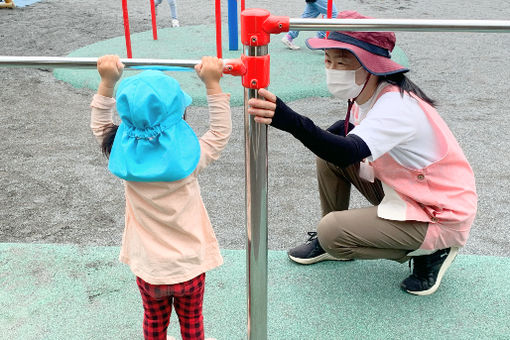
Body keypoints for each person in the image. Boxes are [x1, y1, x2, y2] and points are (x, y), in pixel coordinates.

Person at [249, 10, 477, 296]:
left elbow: (348, 152)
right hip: (408, 190)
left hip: (438, 213)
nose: (332, 68)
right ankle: (332, 241)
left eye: (342, 62)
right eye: (328, 60)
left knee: (333, 230)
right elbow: (347, 137)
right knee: (328, 153)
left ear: (372, 65)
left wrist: (290, 120)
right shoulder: (368, 91)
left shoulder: (396, 106)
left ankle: (431, 250)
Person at [90, 55, 231, 339]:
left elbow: (101, 127)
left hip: (149, 267)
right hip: (188, 265)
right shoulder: (190, 159)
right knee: (192, 322)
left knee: (154, 321)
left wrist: (106, 82)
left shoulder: (123, 156)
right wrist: (213, 84)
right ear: (179, 116)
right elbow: (219, 132)